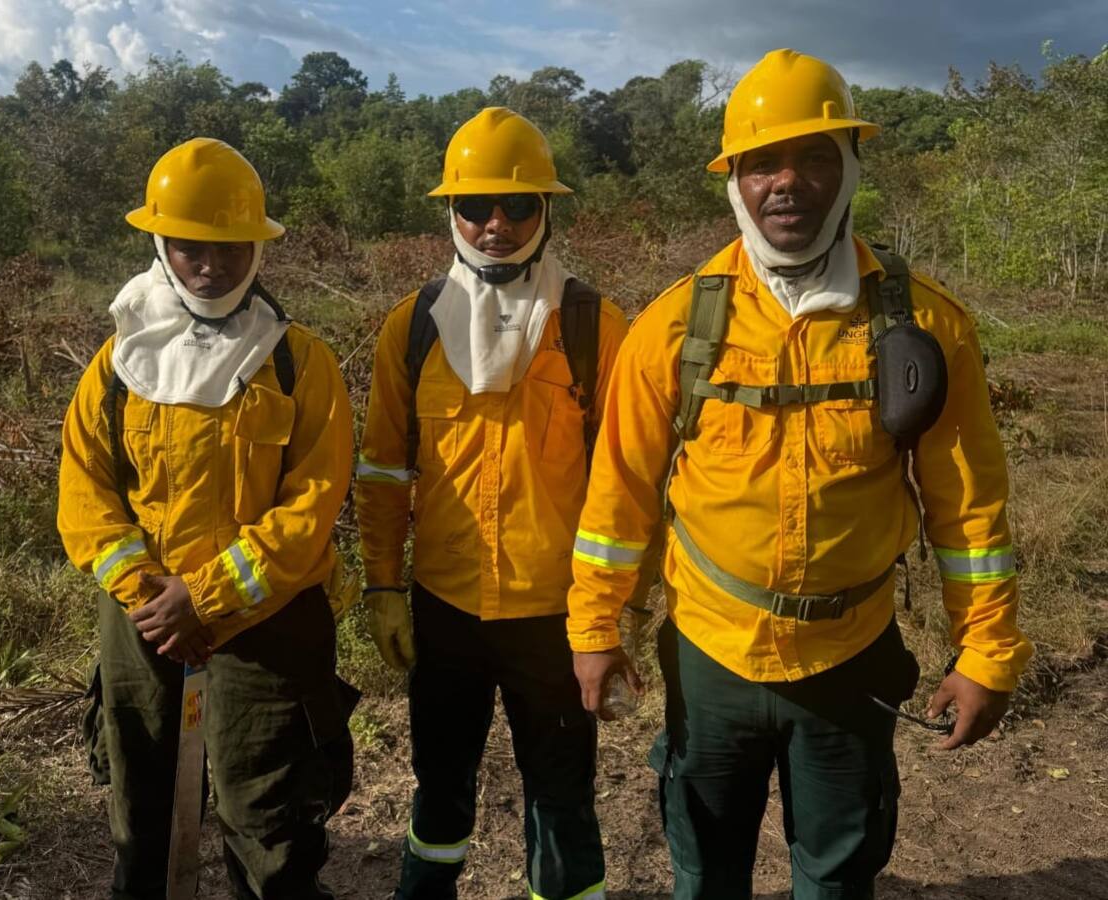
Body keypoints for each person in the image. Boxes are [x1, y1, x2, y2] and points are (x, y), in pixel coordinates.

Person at [566, 49, 1033, 899]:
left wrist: (989, 652)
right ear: (735, 180)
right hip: (710, 657)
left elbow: (969, 508)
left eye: (816, 157)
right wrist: (596, 630)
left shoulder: (923, 324)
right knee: (706, 876)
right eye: (764, 163)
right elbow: (618, 501)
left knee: (838, 876)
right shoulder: (675, 327)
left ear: (851, 167)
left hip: (849, 660)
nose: (789, 182)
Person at [57, 137, 356, 900]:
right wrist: (148, 593)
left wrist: (210, 595)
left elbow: (313, 504)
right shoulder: (117, 364)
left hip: (270, 622)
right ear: (162, 245)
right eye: (192, 247)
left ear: (256, 248)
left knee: (270, 816)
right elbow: (85, 492)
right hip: (144, 623)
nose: (212, 266)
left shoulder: (298, 362)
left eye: (231, 247)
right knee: (143, 807)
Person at [354, 107, 629, 900]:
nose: (495, 224)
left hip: (556, 615)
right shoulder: (412, 327)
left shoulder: (591, 326)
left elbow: (627, 480)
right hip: (445, 609)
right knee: (440, 785)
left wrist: (614, 614)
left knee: (562, 793)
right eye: (475, 206)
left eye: (517, 206)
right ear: (451, 214)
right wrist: (381, 588)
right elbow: (382, 472)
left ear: (548, 211)